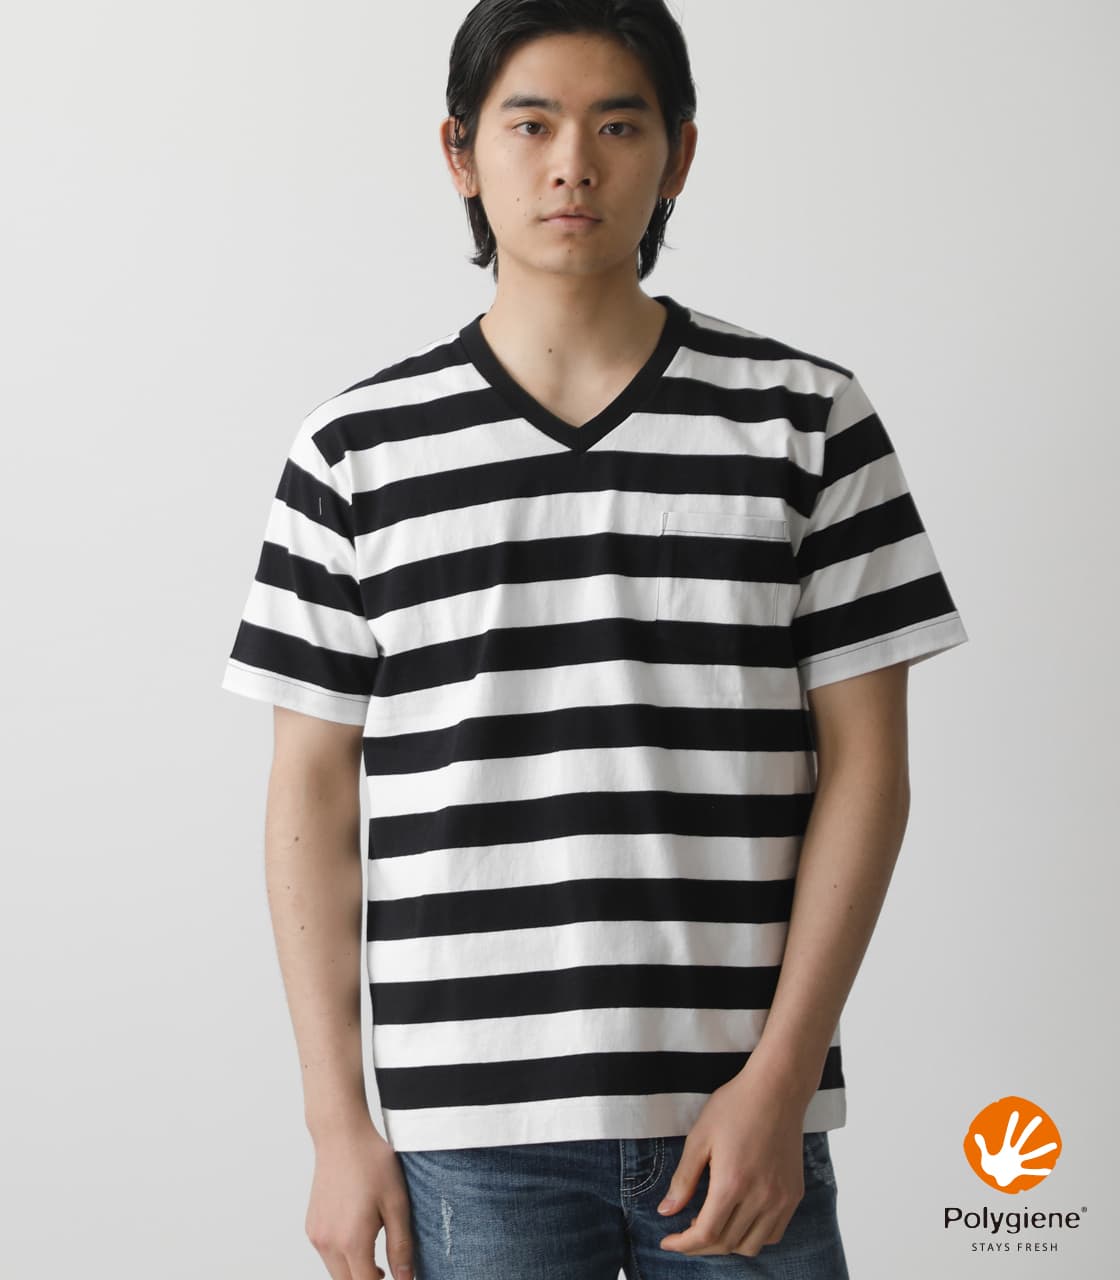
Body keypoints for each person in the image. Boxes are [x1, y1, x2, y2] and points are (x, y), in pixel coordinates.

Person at [220, 2, 969, 1277]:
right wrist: (335, 1123)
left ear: (679, 155)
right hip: (470, 1131)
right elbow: (309, 789)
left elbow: (869, 767)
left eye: (618, 126)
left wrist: (782, 1076)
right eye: (531, 124)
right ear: (460, 152)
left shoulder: (806, 421)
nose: (573, 163)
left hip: (740, 1112)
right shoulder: (354, 451)